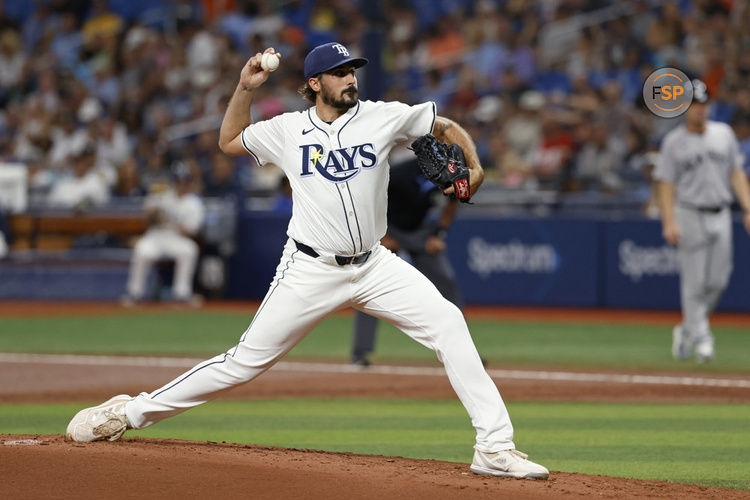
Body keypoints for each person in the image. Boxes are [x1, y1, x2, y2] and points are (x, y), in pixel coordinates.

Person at [66, 42, 549, 480]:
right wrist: (243, 88)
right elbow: (230, 141)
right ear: (315, 83)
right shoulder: (288, 129)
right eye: (339, 73)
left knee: (448, 322)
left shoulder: (383, 116)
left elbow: (443, 125)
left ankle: (494, 447)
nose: (350, 79)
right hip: (310, 268)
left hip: (375, 264)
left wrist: (476, 164)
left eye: (353, 70)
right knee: (242, 364)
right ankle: (128, 413)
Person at [655, 79, 750, 362]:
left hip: (720, 212)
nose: (700, 109)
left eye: (704, 103)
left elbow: (736, 173)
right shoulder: (674, 141)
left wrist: (747, 207)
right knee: (694, 284)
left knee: (719, 281)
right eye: (695, 104)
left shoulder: (724, 134)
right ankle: (704, 339)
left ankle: (688, 328)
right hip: (689, 212)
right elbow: (666, 184)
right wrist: (669, 221)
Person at [351, 152, 462, 366]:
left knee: (445, 281)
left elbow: (454, 202)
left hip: (420, 230)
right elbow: (369, 201)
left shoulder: (451, 173)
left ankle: (460, 352)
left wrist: (438, 233)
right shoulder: (400, 173)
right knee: (370, 286)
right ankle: (360, 352)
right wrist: (382, 236)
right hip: (388, 227)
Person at [122, 162, 205, 305]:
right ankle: (135, 294)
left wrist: (173, 223)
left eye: (184, 180)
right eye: (178, 180)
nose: (181, 184)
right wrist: (154, 206)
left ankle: (181, 294)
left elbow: (192, 232)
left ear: (189, 182)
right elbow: (148, 218)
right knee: (142, 249)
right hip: (156, 237)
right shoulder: (163, 194)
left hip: (177, 238)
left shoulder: (194, 202)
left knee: (189, 250)